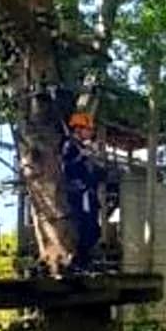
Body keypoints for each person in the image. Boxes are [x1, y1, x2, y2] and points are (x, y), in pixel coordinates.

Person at [62, 112, 103, 271]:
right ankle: (78, 262)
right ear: (78, 129)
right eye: (88, 129)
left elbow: (92, 172)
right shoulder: (70, 146)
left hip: (89, 194)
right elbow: (66, 168)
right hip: (79, 195)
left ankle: (84, 261)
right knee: (85, 229)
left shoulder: (82, 148)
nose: (91, 133)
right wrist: (81, 157)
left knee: (94, 231)